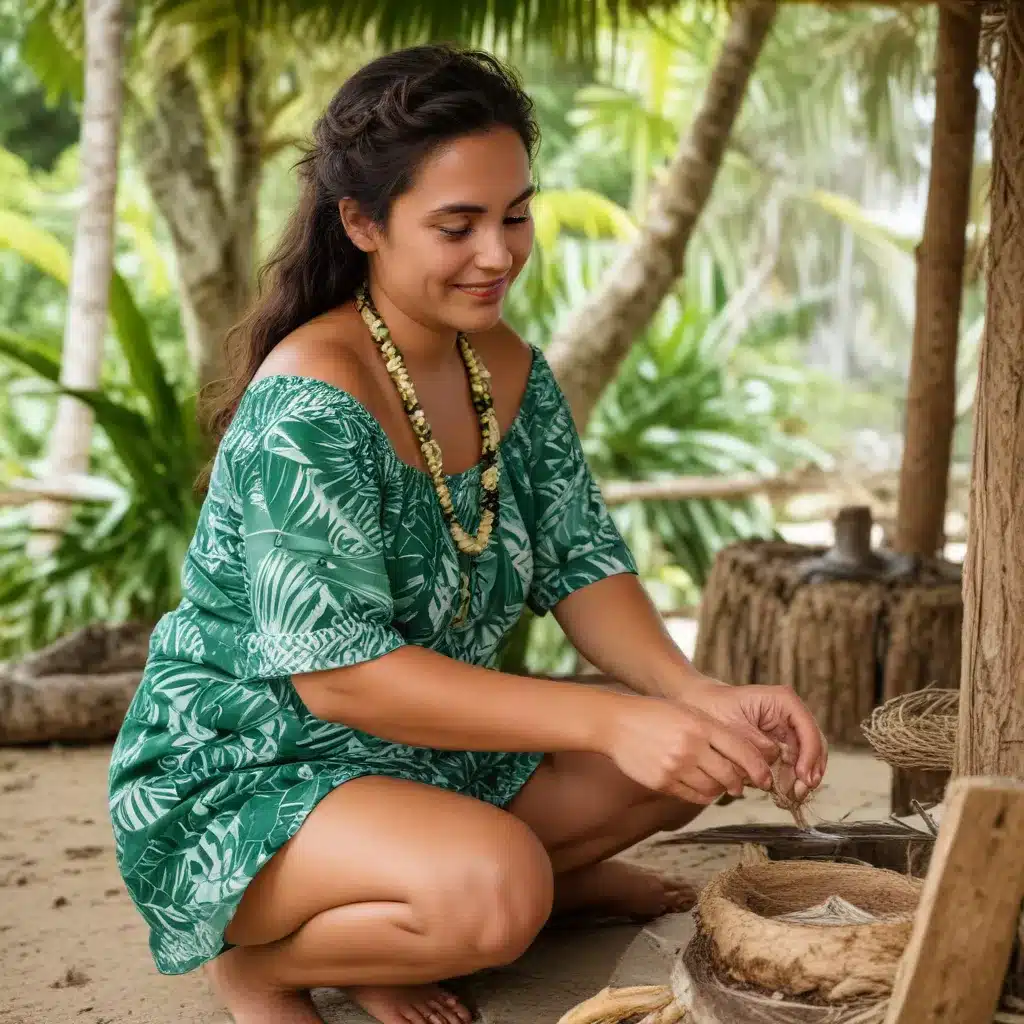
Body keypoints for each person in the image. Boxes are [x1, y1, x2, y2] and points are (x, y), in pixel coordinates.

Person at [108, 44, 827, 1024]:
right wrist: (611, 718)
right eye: (458, 225)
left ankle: (479, 892)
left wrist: (696, 693)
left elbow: (579, 559)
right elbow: (342, 679)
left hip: (421, 756)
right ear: (361, 221)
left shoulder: (502, 364)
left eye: (515, 214)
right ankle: (268, 964)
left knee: (705, 753)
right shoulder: (311, 399)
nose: (499, 253)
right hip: (251, 771)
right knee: (497, 887)